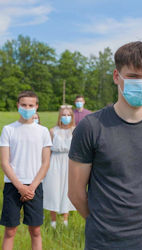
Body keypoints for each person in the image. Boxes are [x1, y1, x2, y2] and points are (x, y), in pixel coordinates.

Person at [68, 41, 142, 250]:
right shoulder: (91, 127)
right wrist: (103, 224)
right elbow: (76, 193)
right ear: (117, 76)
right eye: (133, 76)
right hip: (104, 243)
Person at [0, 90, 52, 250]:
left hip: (34, 186)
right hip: (13, 186)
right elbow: (4, 162)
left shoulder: (43, 131)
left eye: (30, 105)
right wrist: (20, 187)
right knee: (10, 231)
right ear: (18, 106)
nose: (27, 108)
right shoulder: (8, 130)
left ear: (36, 107)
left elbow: (45, 163)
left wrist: (31, 187)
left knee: (35, 230)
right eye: (23, 105)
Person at [43, 105, 76, 228]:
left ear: (72, 117)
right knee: (54, 189)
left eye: (68, 115)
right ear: (60, 116)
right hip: (55, 161)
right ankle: (53, 221)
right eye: (64, 115)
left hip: (69, 161)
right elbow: (48, 150)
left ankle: (65, 220)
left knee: (67, 189)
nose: (66, 117)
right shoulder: (53, 131)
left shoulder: (75, 130)